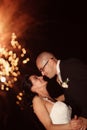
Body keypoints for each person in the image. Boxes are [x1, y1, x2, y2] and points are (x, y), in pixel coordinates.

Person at [36, 51, 87, 129]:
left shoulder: (70, 65)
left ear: (50, 61)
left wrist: (85, 117)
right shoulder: (60, 77)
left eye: (42, 69)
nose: (43, 74)